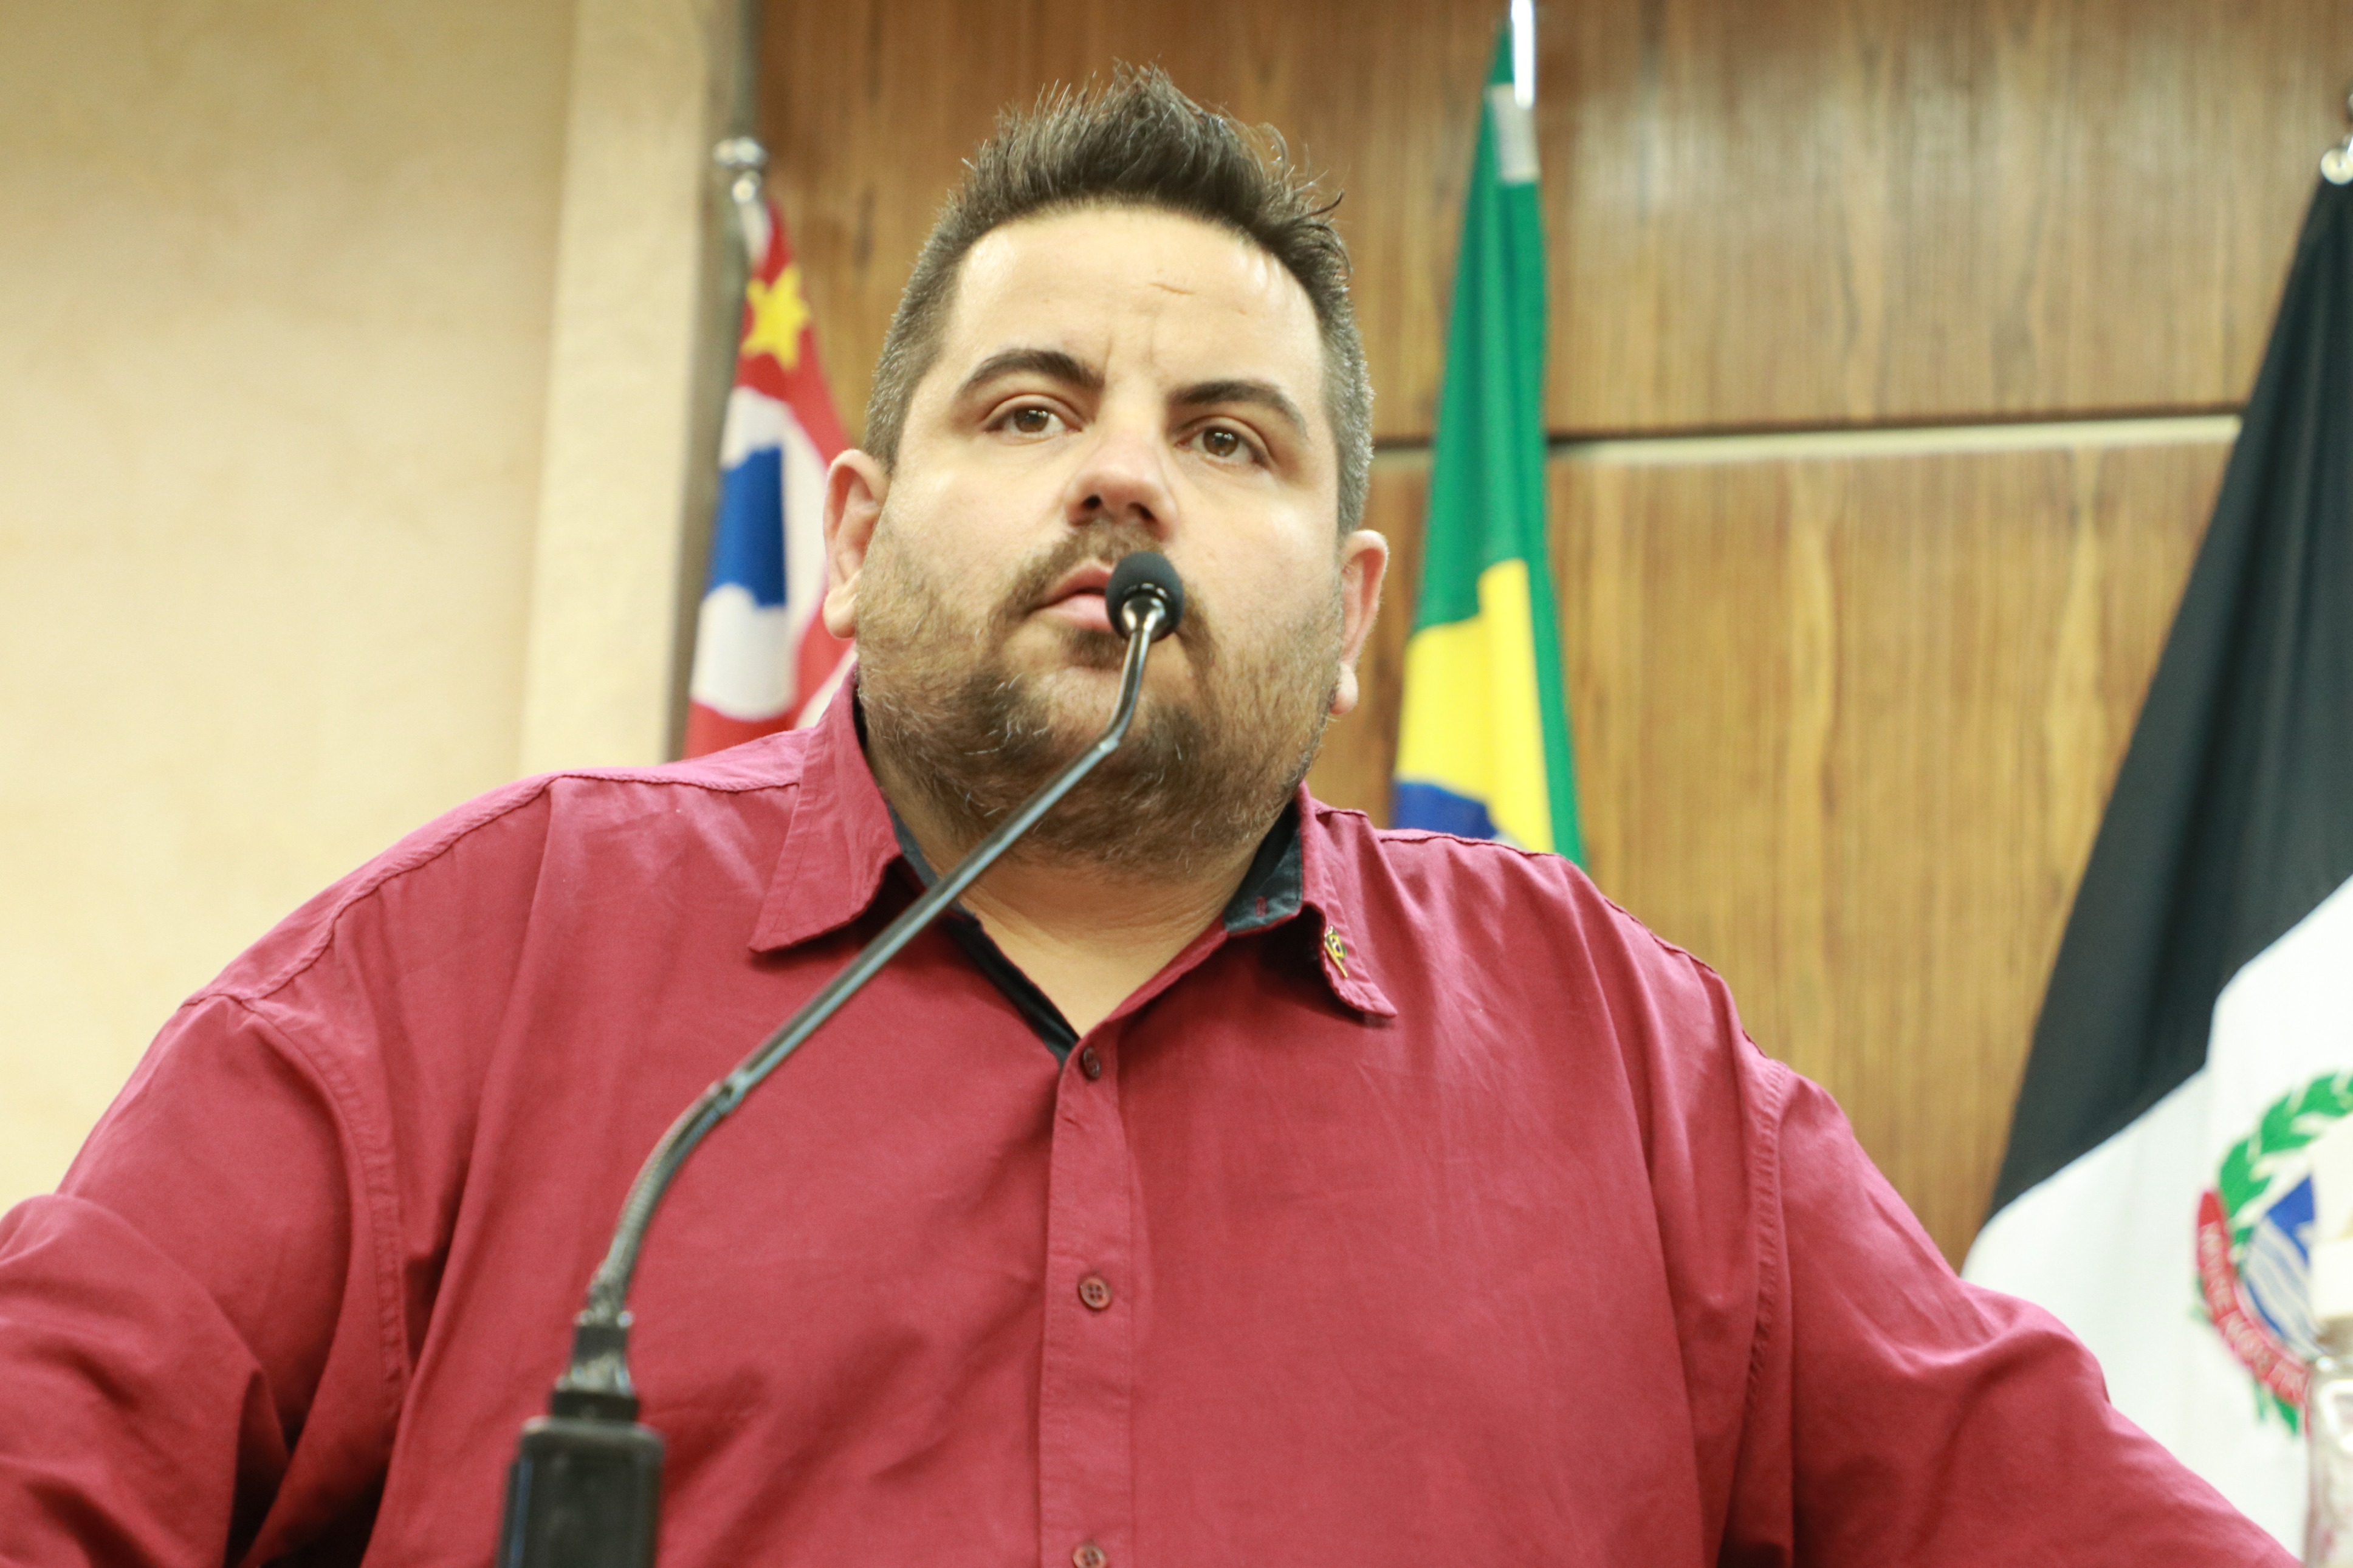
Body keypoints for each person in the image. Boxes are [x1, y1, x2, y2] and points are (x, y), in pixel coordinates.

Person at [0, 66, 2291, 1568]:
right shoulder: (470, 969)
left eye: (1227, 436)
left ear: (1355, 611)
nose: (1122, 471)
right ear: (858, 537)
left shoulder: (1632, 1069)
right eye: (1031, 410)